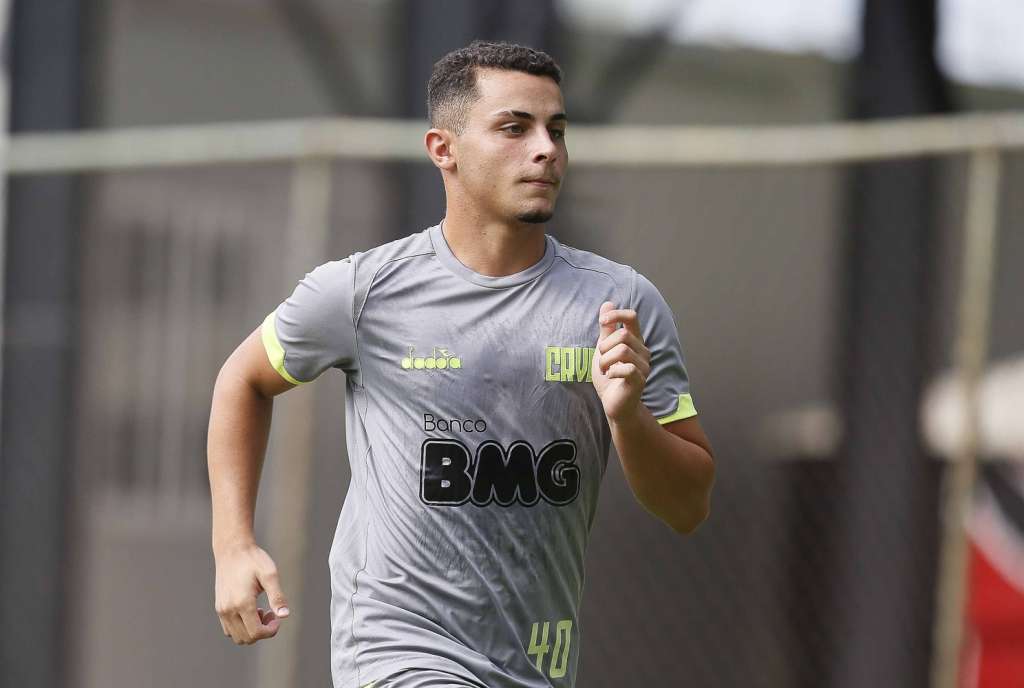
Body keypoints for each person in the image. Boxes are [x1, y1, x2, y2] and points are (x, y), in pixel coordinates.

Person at [207, 40, 715, 688]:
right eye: (515, 127)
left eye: (557, 130)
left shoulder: (621, 307)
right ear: (443, 149)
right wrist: (233, 546)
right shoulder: (362, 291)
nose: (546, 149)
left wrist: (629, 419)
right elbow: (243, 379)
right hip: (396, 654)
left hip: (537, 665)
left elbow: (687, 507)